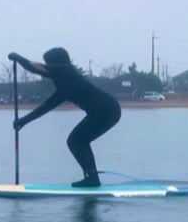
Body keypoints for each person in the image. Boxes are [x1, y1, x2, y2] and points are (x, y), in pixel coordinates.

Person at [8, 47, 121, 187]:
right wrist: (24, 121)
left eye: (49, 63)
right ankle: (92, 178)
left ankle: (92, 178)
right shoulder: (65, 86)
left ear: (56, 63)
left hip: (107, 111)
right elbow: (46, 107)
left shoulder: (66, 70)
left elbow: (36, 67)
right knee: (78, 141)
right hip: (106, 111)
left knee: (76, 141)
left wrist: (18, 58)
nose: (48, 69)